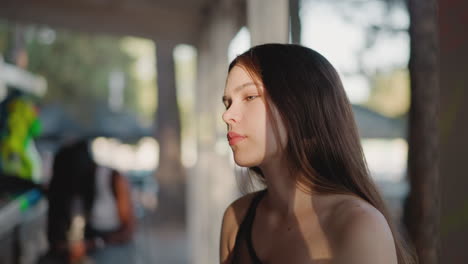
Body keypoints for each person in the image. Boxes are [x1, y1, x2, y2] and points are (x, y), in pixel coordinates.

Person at [219, 44, 417, 264]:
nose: (227, 115)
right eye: (227, 102)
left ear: (302, 107)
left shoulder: (359, 224)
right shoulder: (236, 219)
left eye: (250, 97)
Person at [44, 139, 134, 264]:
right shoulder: (68, 189)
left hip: (110, 249)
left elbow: (128, 231)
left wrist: (93, 244)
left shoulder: (112, 179)